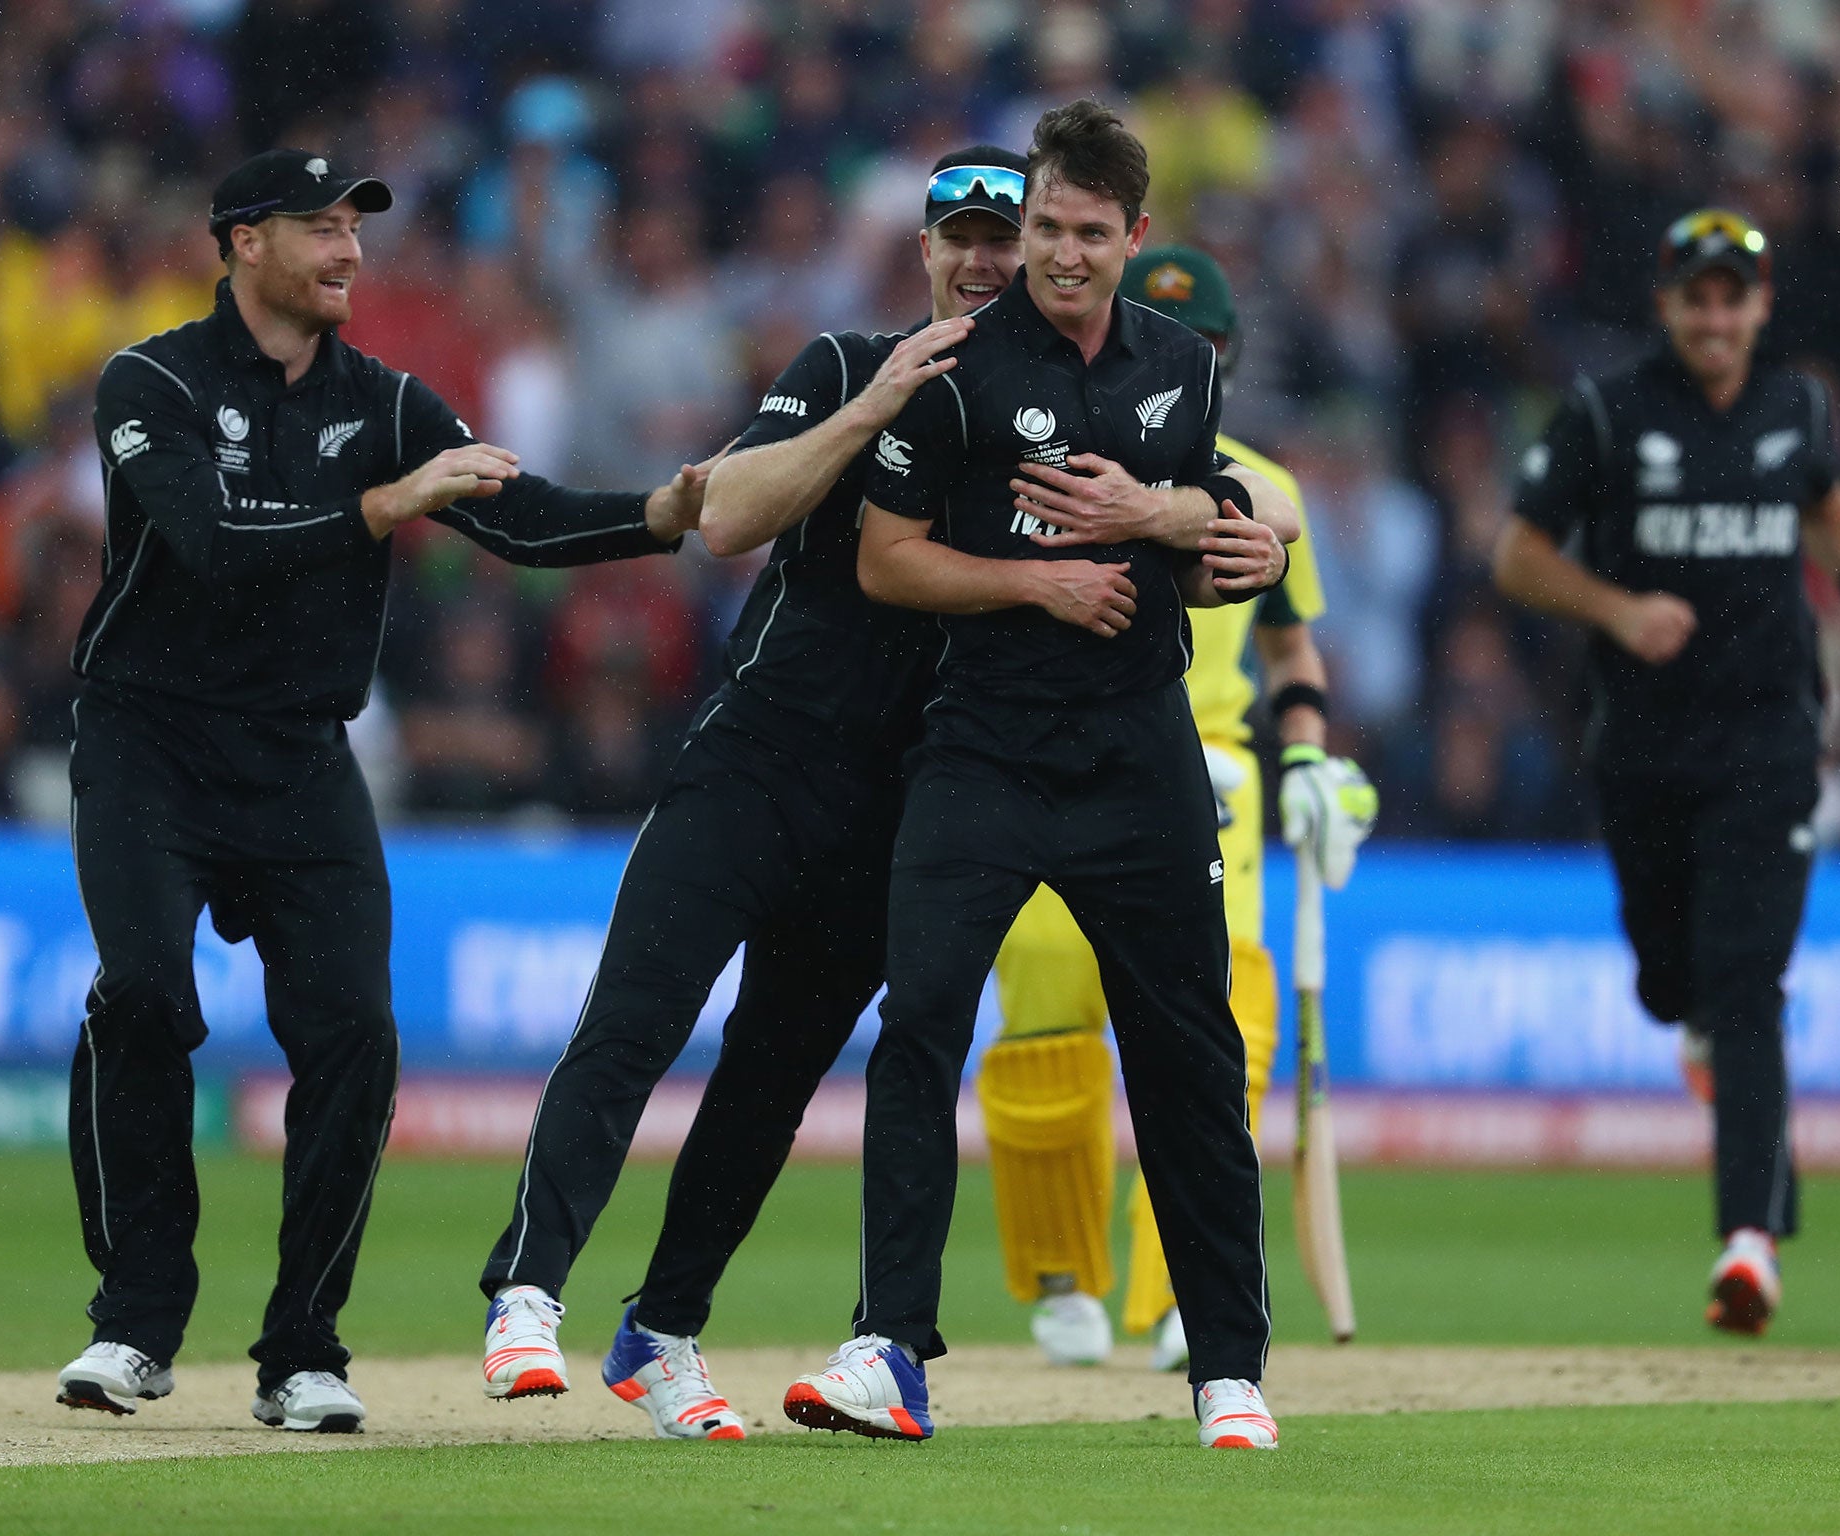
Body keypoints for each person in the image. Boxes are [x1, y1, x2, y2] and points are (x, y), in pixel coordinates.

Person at [474, 148, 1285, 1442]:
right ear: (920, 249)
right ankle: (526, 1294)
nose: (982, 260)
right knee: (635, 1021)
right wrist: (872, 409)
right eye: (958, 238)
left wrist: (1219, 522)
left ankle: (660, 1331)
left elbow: (1212, 497)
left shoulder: (1050, 386)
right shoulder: (851, 365)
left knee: (770, 1081)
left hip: (896, 800)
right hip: (756, 762)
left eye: (1004, 238)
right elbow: (728, 517)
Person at [54, 149, 704, 1433]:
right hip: (150, 744)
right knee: (140, 996)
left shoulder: (389, 399)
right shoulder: (151, 381)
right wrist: (378, 506)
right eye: (317, 225)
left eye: (356, 225)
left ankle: (302, 1348)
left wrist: (665, 511)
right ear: (240, 240)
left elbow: (515, 516)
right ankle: (134, 1324)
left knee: (355, 1035)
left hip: (299, 759)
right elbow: (208, 545)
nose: (349, 248)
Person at [784, 101, 1289, 1451]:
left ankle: (1227, 1369)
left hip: (1140, 752)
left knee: (1190, 1052)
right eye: (1042, 229)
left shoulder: (1182, 364)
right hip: (986, 744)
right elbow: (887, 560)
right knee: (924, 1027)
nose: (1059, 257)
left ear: (1134, 237)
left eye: (1086, 235)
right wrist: (1046, 582)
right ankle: (891, 1346)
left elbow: (1204, 536)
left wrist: (1207, 536)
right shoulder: (948, 366)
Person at [1493, 208, 1840, 1336]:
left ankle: (1747, 1243)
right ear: (1665, 305)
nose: (1714, 319)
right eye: (1696, 299)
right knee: (1673, 985)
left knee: (1743, 986)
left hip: (1769, 742)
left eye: (1733, 299)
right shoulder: (1604, 412)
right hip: (1642, 748)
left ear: (1758, 307)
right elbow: (1515, 552)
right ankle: (1702, 1047)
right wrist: (1616, 608)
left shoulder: (1795, 404)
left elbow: (1824, 501)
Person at [980, 243, 1376, 1373]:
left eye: (1205, 348)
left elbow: (1293, 646)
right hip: (1052, 754)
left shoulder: (1246, 478)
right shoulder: (1049, 454)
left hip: (1211, 774)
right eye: (1170, 343)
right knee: (1049, 1014)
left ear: (1225, 360)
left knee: (1215, 1032)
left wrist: (1306, 759)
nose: (1185, 363)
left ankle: (1171, 1300)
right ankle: (1061, 1274)